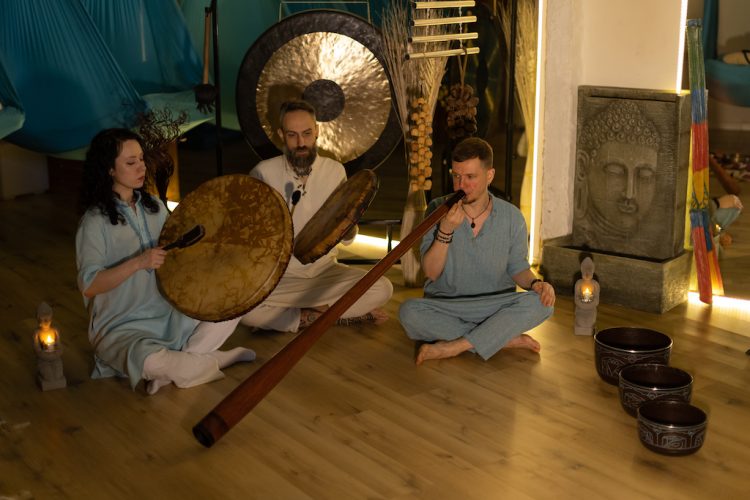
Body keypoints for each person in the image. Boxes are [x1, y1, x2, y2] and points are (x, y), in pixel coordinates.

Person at [75, 128, 255, 395]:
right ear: (109, 169)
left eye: (141, 159)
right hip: (121, 328)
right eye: (130, 162)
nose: (141, 167)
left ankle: (180, 367)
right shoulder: (94, 222)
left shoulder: (155, 207)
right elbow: (89, 285)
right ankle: (213, 359)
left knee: (236, 302)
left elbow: (179, 255)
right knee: (151, 361)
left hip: (168, 313)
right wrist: (138, 262)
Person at [240, 100, 393, 332]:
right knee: (246, 310)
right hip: (282, 278)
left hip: (325, 274)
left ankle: (303, 316)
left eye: (307, 133)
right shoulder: (263, 172)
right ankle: (328, 315)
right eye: (292, 135)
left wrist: (348, 226)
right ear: (281, 134)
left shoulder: (335, 171)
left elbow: (347, 239)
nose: (301, 143)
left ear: (317, 131)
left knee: (382, 288)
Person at [399, 137, 555, 365]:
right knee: (408, 312)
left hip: (494, 306)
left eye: (470, 177)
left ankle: (456, 345)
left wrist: (536, 284)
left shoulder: (512, 217)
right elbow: (431, 273)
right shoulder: (437, 209)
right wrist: (445, 231)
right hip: (447, 305)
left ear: (489, 175)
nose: (461, 185)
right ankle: (500, 338)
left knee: (543, 303)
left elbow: (517, 267)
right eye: (456, 176)